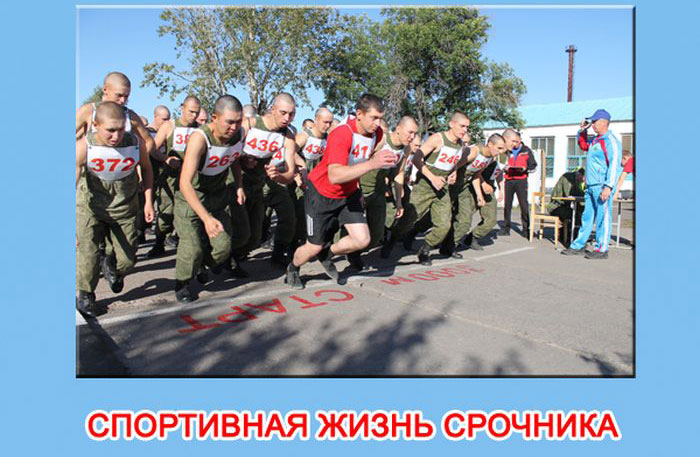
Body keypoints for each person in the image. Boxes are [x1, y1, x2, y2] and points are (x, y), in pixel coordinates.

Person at [285, 93, 395, 289]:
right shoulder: (342, 134)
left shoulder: (376, 134)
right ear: (359, 114)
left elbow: (357, 161)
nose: (378, 124)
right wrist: (373, 163)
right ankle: (293, 268)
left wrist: (359, 187)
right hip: (321, 194)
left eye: (380, 118)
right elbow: (335, 175)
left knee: (362, 239)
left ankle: (327, 253)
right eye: (373, 118)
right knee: (313, 246)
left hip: (348, 194)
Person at [75, 102, 155, 316]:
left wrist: (148, 201)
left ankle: (113, 267)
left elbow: (147, 169)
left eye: (120, 129)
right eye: (110, 130)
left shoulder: (135, 143)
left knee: (128, 260)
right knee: (88, 253)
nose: (116, 136)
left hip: (124, 207)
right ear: (95, 125)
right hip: (91, 207)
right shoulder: (84, 146)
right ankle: (85, 294)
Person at [173, 95, 246, 302]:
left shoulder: (239, 134)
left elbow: (234, 158)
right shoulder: (199, 139)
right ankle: (182, 282)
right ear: (215, 117)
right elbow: (184, 183)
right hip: (191, 199)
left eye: (238, 121)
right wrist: (205, 218)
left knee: (223, 247)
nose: (234, 127)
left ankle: (202, 264)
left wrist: (239, 185)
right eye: (229, 122)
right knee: (192, 248)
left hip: (217, 198)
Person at [386, 112, 470, 266]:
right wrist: (432, 178)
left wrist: (453, 172)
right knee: (408, 219)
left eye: (467, 127)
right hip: (425, 185)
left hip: (442, 188)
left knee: (444, 225)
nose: (465, 130)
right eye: (462, 126)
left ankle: (424, 250)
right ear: (451, 124)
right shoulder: (437, 139)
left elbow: (455, 163)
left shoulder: (461, 145)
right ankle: (392, 239)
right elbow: (416, 158)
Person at [235, 93, 298, 266]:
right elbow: (228, 152)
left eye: (292, 114)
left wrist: (279, 176)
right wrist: (243, 159)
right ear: (273, 110)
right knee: (241, 232)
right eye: (283, 113)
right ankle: (222, 260)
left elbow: (290, 173)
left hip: (262, 183)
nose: (287, 118)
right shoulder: (250, 125)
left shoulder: (288, 135)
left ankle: (277, 253)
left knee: (258, 235)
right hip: (237, 181)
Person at [354, 115, 418, 268]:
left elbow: (399, 173)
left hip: (378, 193)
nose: (412, 137)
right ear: (398, 129)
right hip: (361, 190)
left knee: (376, 235)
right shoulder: (380, 141)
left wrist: (399, 201)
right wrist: (356, 188)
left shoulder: (406, 149)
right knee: (348, 229)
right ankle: (331, 252)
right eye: (410, 132)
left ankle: (354, 253)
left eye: (415, 133)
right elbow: (357, 161)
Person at [562, 109, 622, 259]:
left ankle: (602, 249)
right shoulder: (596, 140)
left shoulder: (611, 141)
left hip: (602, 185)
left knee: (603, 218)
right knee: (587, 217)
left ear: (604, 122)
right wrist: (582, 130)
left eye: (595, 121)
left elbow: (614, 165)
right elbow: (583, 145)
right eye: (592, 122)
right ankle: (579, 245)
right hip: (590, 186)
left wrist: (608, 186)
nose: (593, 124)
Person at [147, 95, 202, 257]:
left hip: (192, 177)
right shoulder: (169, 126)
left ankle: (188, 247)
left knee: (190, 212)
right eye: (191, 111)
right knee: (166, 212)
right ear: (182, 109)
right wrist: (166, 159)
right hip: (171, 177)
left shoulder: (200, 129)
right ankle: (159, 242)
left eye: (197, 112)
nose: (194, 116)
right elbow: (152, 150)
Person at [442, 132, 508, 256]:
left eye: (502, 149)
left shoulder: (490, 158)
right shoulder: (475, 151)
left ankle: (449, 246)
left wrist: (479, 195)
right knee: (441, 217)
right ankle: (415, 235)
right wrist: (453, 173)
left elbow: (476, 174)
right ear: (490, 144)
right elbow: (455, 164)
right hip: (451, 184)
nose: (500, 152)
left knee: (465, 220)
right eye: (499, 148)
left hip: (464, 187)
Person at [76, 72, 156, 156]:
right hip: (92, 163)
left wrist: (138, 158)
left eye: (126, 96)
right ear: (105, 90)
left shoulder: (131, 116)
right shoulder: (89, 111)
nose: (122, 100)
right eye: (119, 95)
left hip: (125, 164)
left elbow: (149, 141)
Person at [290, 107, 334, 249]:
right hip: (301, 180)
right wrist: (297, 174)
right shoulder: (305, 136)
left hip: (317, 182)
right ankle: (293, 246)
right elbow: (289, 152)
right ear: (316, 120)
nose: (327, 126)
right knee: (300, 214)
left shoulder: (328, 139)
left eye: (330, 123)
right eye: (325, 122)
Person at [499, 128, 537, 237]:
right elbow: (500, 164)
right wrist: (505, 168)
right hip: (509, 179)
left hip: (521, 180)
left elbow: (533, 166)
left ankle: (526, 229)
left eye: (517, 141)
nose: (515, 143)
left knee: (523, 204)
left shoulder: (526, 150)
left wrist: (525, 169)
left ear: (520, 140)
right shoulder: (507, 150)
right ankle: (506, 228)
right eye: (513, 141)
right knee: (507, 205)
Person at [546, 167, 585, 247]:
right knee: (574, 214)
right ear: (580, 175)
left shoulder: (575, 179)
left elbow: (578, 193)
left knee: (583, 211)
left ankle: (575, 236)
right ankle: (569, 237)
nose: (583, 181)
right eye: (583, 179)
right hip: (556, 206)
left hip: (564, 205)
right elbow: (569, 194)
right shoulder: (568, 178)